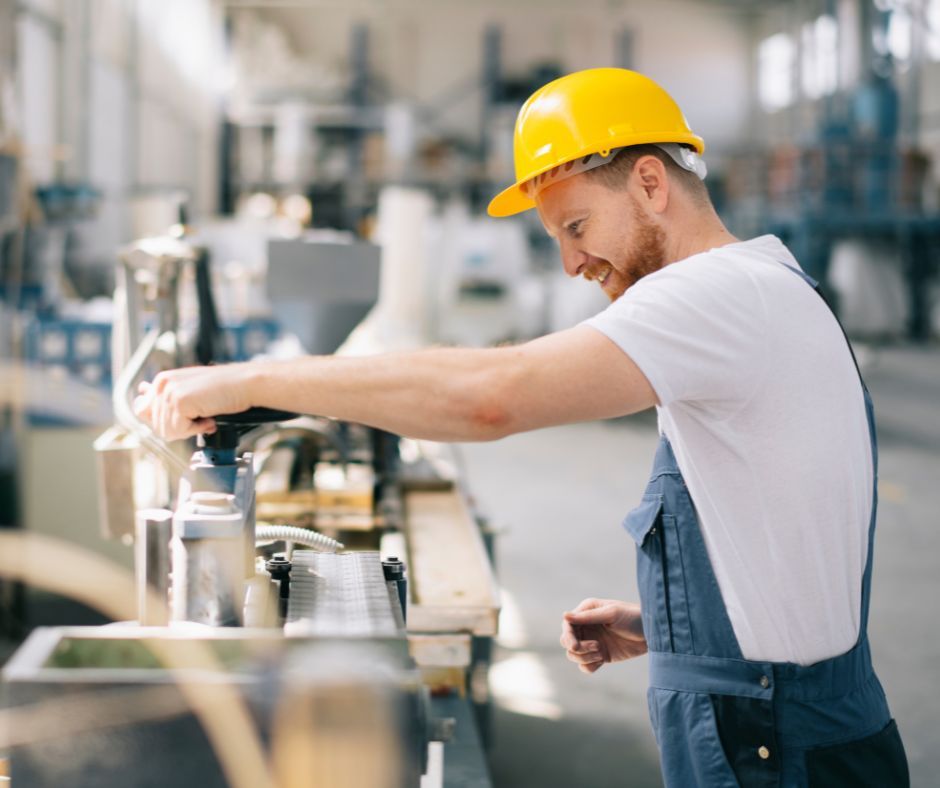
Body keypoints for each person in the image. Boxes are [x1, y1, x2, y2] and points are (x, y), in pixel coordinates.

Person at [136, 68, 908, 786]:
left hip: (775, 743)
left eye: (576, 225)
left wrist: (254, 379)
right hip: (796, 722)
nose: (572, 262)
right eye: (557, 239)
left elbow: (491, 398)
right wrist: (672, 626)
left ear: (648, 181)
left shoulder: (714, 294)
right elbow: (801, 538)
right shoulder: (765, 287)